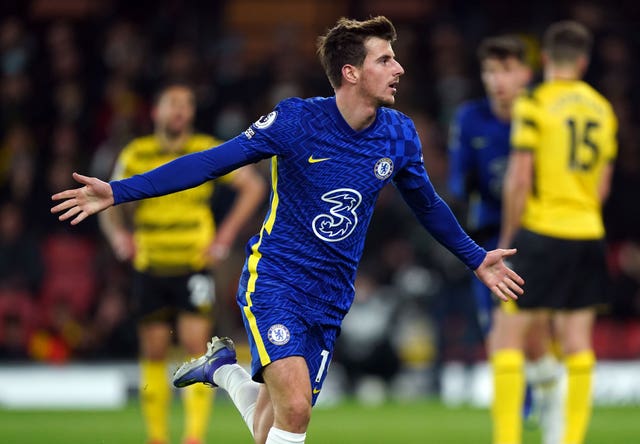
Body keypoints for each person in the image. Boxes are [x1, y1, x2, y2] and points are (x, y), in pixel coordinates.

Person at [52, 16, 524, 444]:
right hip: (277, 280)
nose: (399, 68)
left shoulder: (398, 134)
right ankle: (226, 372)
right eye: (385, 59)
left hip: (332, 295)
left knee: (270, 428)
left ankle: (223, 371)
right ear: (351, 72)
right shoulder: (297, 121)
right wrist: (120, 192)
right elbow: (211, 162)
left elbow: (428, 204)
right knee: (296, 411)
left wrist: (475, 256)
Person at [98, 84, 267, 444]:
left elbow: (253, 186)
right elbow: (107, 200)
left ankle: (194, 436)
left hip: (192, 264)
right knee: (155, 350)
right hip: (151, 264)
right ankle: (157, 437)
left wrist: (225, 236)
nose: (180, 111)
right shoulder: (137, 152)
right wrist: (118, 236)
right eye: (172, 104)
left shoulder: (204, 148)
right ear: (155, 111)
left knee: (195, 345)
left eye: (187, 105)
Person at [495, 21, 617, 444]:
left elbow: (519, 177)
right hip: (588, 231)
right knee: (578, 340)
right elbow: (602, 185)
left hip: (542, 230)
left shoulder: (535, 103)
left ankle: (508, 439)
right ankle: (570, 440)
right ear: (583, 61)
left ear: (544, 59)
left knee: (506, 336)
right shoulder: (603, 109)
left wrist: (509, 238)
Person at [448, 36, 563, 443]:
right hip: (487, 241)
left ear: (526, 73)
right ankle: (520, 417)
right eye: (490, 71)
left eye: (507, 69)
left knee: (533, 338)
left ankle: (544, 401)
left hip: (537, 235)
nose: (497, 80)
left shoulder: (542, 114)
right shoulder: (469, 117)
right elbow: (459, 182)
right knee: (498, 334)